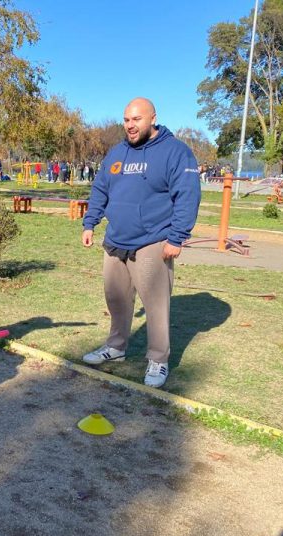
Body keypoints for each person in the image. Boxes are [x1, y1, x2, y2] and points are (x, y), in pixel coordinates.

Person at [81, 97, 200, 388]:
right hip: (116, 240)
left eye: (136, 119)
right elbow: (100, 189)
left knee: (155, 305)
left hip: (153, 240)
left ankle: (158, 360)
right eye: (126, 120)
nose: (130, 125)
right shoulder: (117, 152)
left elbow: (187, 195)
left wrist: (177, 237)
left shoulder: (175, 152)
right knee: (117, 299)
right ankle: (116, 347)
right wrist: (90, 222)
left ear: (152, 119)